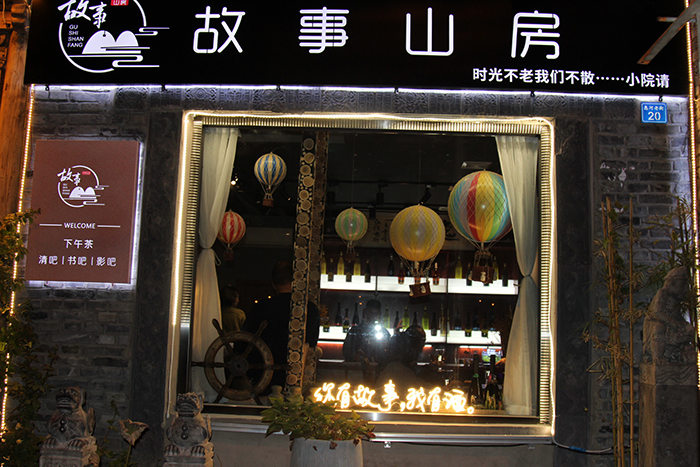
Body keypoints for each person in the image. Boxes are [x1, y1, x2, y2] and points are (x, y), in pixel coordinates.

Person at [243, 261, 320, 390]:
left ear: (273, 284)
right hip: (294, 377)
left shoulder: (259, 308)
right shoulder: (309, 308)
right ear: (296, 281)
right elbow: (310, 343)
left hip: (261, 376)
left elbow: (245, 340)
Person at [342, 299, 390, 368]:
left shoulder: (355, 330)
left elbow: (388, 353)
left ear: (379, 314)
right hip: (358, 368)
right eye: (370, 312)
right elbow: (346, 352)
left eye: (375, 313)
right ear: (365, 311)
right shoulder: (355, 330)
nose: (373, 316)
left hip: (375, 369)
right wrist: (354, 357)